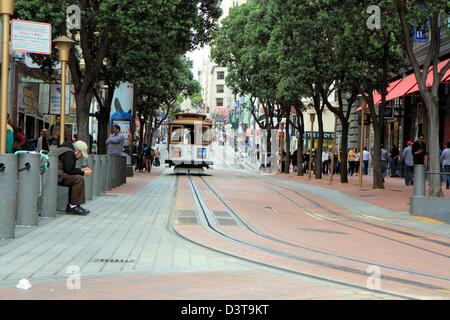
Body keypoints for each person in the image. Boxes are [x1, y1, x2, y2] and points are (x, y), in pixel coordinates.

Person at [50, 140, 92, 215]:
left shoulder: (64, 149)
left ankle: (73, 205)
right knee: (78, 179)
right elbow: (69, 170)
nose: (81, 157)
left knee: (75, 178)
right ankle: (73, 206)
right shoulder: (69, 153)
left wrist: (81, 170)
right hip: (57, 176)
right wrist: (83, 172)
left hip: (53, 174)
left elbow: (68, 168)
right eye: (81, 154)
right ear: (76, 151)